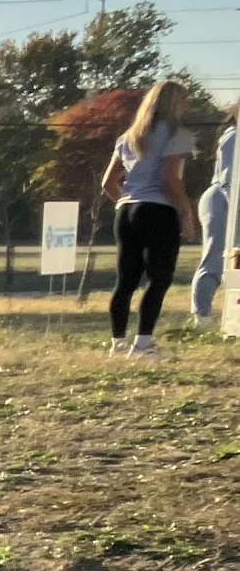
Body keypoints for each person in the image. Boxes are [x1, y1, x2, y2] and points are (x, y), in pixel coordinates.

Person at [99, 78, 200, 360]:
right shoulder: (176, 134)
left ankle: (117, 343)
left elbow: (108, 182)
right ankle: (143, 344)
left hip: (127, 210)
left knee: (126, 280)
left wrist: (124, 200)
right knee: (159, 277)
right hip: (158, 211)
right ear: (175, 104)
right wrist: (185, 212)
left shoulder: (129, 136)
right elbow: (170, 179)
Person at [189, 102, 236, 329]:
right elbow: (230, 180)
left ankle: (234, 318)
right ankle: (203, 317)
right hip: (222, 202)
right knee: (215, 257)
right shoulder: (234, 136)